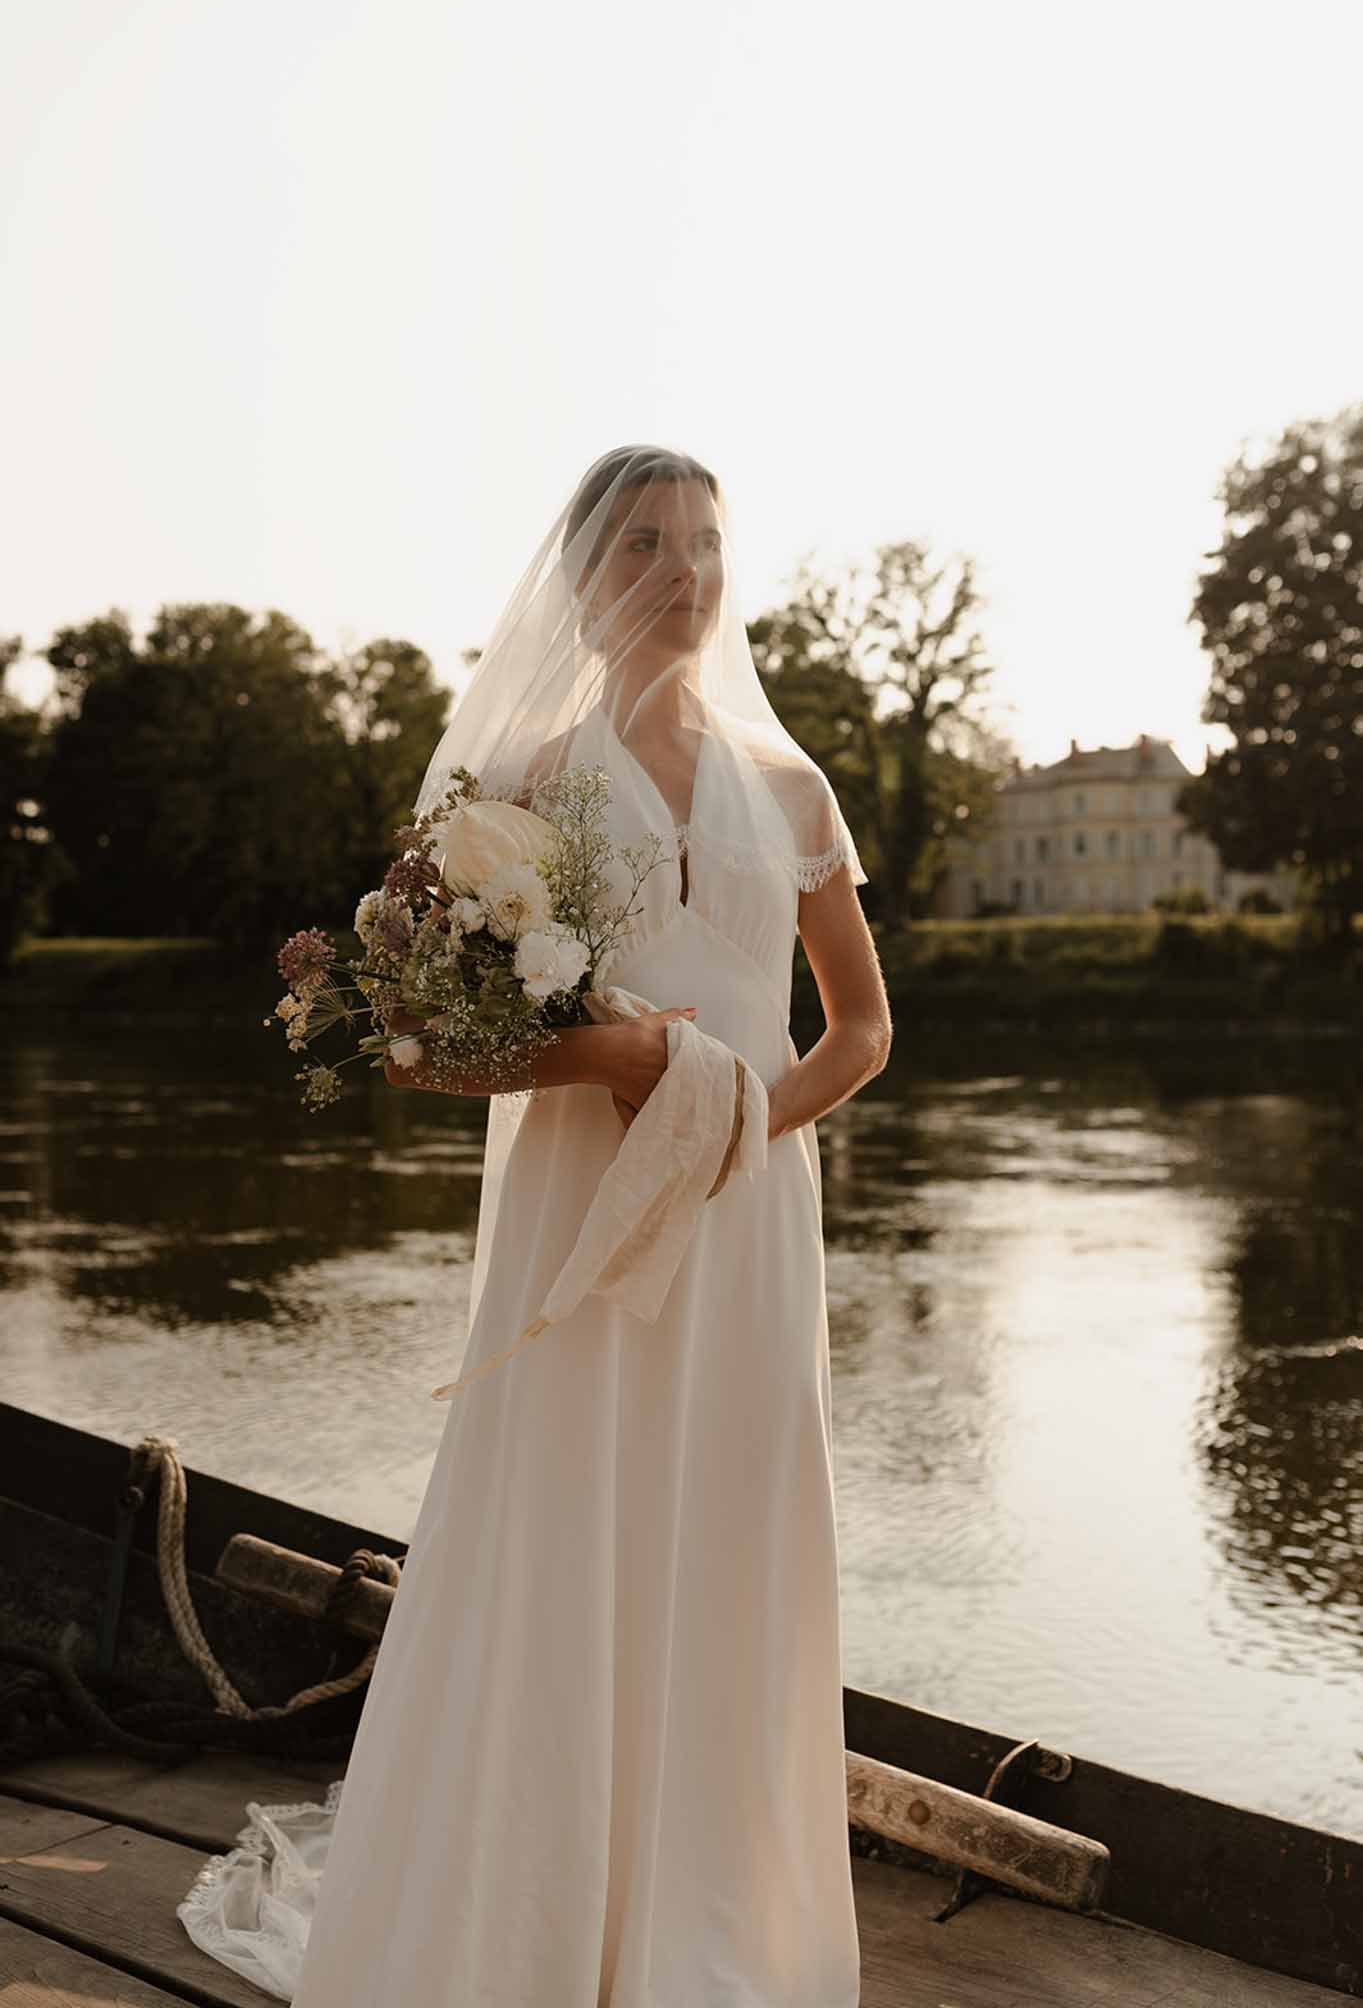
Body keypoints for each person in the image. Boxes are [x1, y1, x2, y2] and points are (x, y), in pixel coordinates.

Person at [185, 445, 891, 2005]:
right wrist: (619, 1058)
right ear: (581, 576)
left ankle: (710, 1930)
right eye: (643, 541)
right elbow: (424, 1046)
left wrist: (726, 1137)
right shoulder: (516, 783)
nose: (682, 570)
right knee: (571, 1520)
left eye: (705, 540)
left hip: (744, 1217)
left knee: (727, 1533)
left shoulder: (791, 785)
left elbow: (858, 1032)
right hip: (580, 1213)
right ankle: (536, 1924)